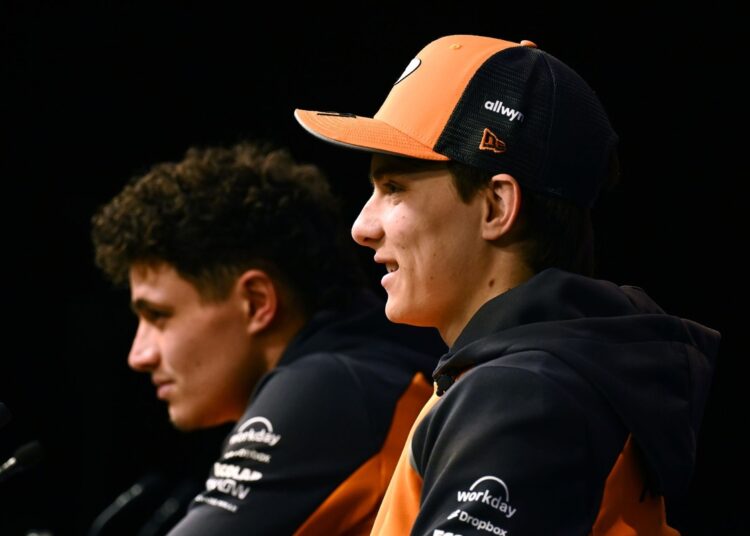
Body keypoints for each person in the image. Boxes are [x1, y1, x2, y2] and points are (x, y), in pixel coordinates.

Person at [295, 34, 720, 535]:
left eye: (393, 188)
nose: (362, 227)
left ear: (497, 206)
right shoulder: (522, 378)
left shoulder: (522, 394)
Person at [90, 141, 445, 534]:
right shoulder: (368, 369)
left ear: (257, 302)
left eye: (159, 316)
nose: (139, 355)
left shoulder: (328, 387)